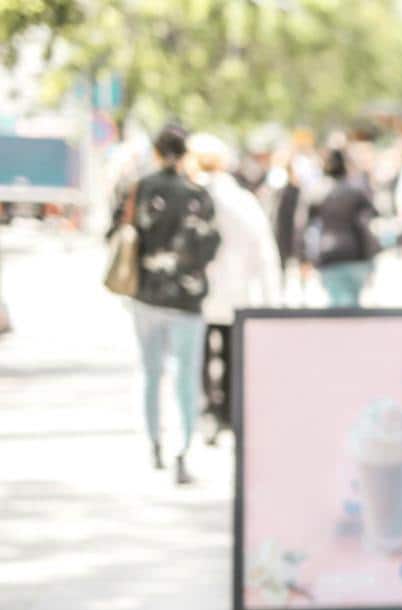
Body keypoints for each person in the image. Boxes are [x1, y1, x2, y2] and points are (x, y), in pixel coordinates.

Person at [111, 124, 221, 484]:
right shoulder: (197, 194)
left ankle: (154, 442)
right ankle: (182, 449)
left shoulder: (140, 188)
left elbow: (119, 232)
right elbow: (210, 245)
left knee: (151, 371)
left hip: (146, 293)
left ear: (157, 152)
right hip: (186, 297)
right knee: (186, 376)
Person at [187, 134, 282, 444]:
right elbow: (264, 249)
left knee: (199, 355)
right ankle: (227, 411)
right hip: (236, 292)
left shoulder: (192, 195)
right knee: (231, 354)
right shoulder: (241, 199)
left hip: (198, 292)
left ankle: (207, 411)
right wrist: (271, 297)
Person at [306, 148, 378, 307]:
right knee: (350, 307)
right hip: (354, 254)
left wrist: (307, 257)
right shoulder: (356, 192)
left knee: (339, 307)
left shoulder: (319, 192)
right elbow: (366, 224)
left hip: (331, 255)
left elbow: (308, 227)